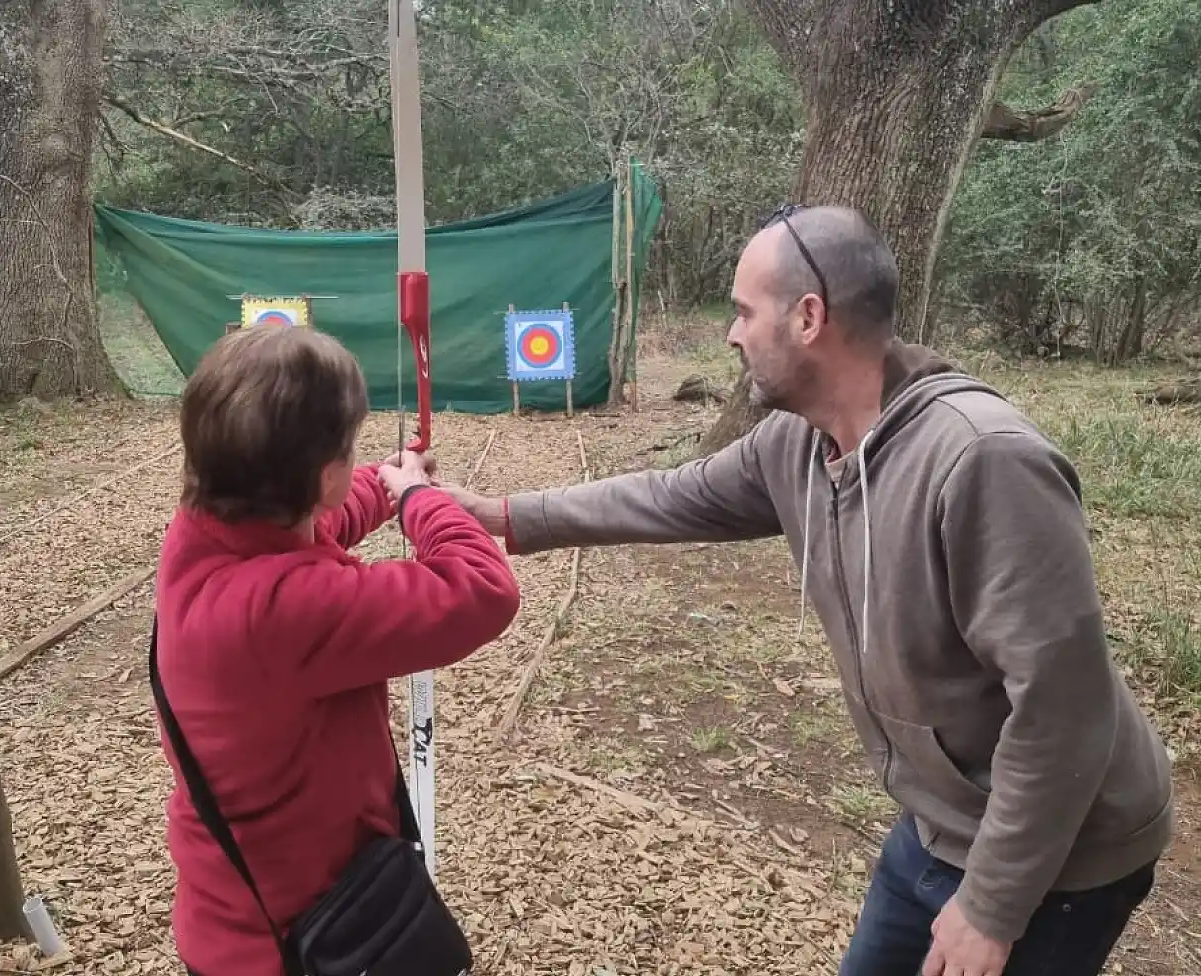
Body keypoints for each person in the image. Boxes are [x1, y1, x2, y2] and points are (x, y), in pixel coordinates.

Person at [441, 205, 1173, 976]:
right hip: (936, 823)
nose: (730, 333)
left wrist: (992, 908)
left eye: (743, 311)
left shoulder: (983, 461)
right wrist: (498, 516)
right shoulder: (797, 440)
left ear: (808, 317)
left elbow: (1064, 710)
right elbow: (667, 496)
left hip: (1059, 860)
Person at [152, 325, 521, 976]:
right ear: (324, 476)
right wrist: (421, 501)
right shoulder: (283, 611)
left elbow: (312, 523)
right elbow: (483, 589)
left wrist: (383, 481)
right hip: (294, 943)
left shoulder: (206, 530)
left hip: (237, 916)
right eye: (349, 452)